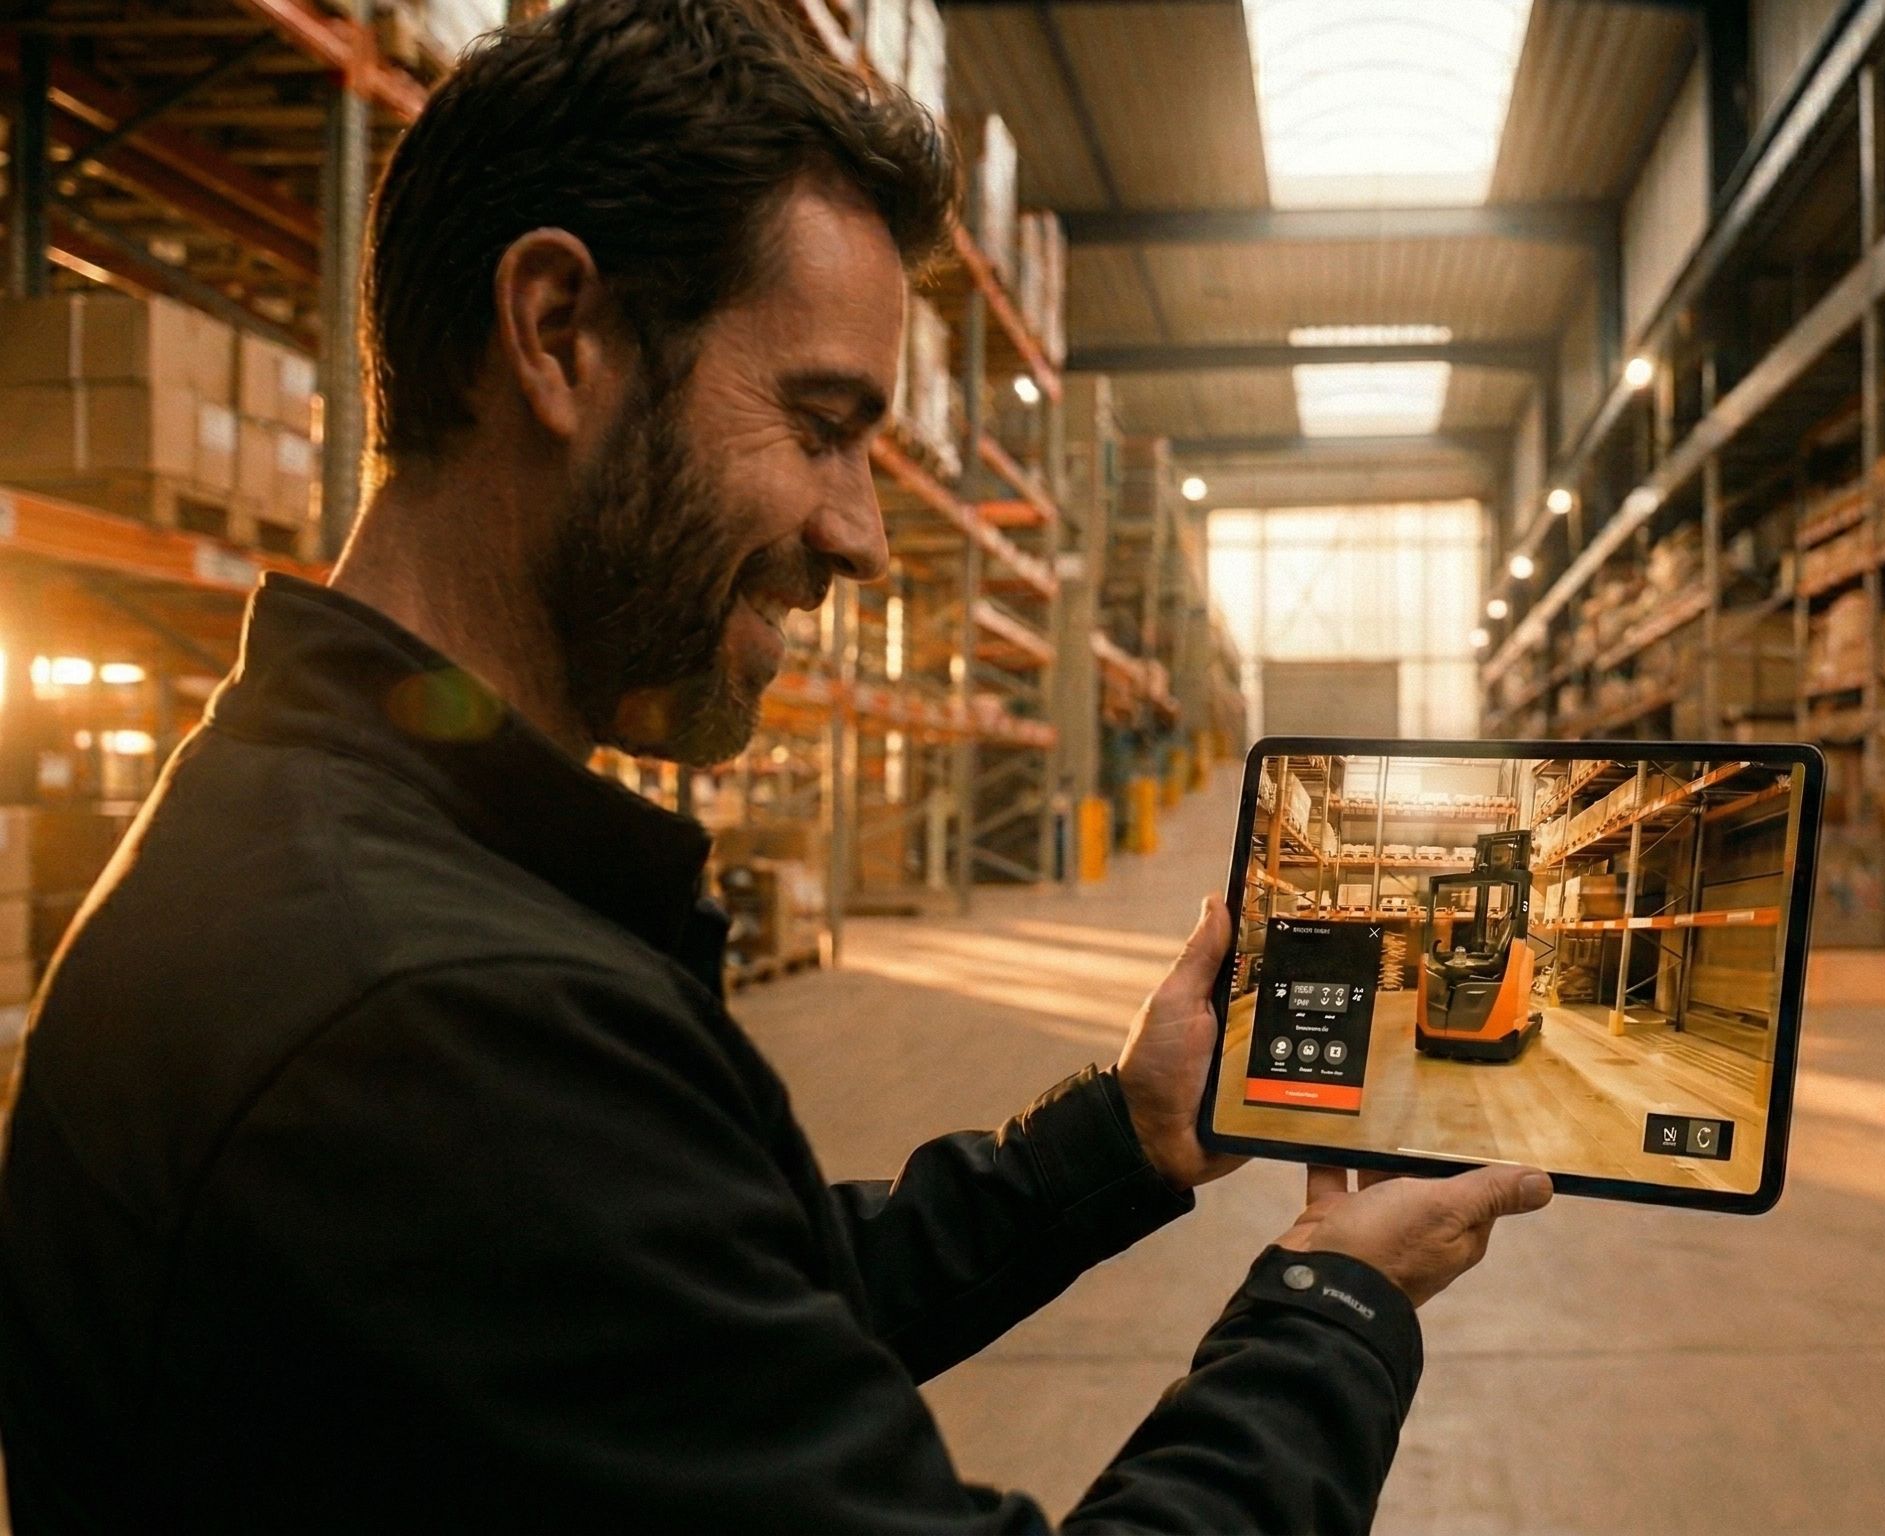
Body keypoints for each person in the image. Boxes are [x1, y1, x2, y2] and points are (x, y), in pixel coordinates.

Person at [0, 1, 1551, 1529]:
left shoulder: (342, 848)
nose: (862, 532)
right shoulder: (432, 1017)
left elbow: (679, 1329)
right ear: (556, 335)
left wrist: (1120, 1144)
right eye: (819, 425)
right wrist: (1337, 1302)